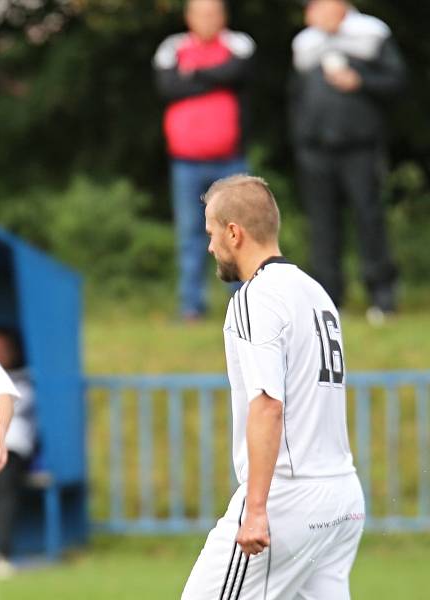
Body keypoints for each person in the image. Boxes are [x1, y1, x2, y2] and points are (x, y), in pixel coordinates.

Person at [181, 175, 364, 599]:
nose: (209, 247)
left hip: (289, 496)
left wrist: (257, 510)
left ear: (233, 232)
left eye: (211, 234)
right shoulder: (315, 293)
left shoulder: (255, 297)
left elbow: (268, 403)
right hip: (342, 496)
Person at [291, 0, 406, 323]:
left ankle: (382, 298)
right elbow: (296, 96)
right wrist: (302, 138)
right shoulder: (305, 42)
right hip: (315, 150)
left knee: (369, 219)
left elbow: (397, 82)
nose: (309, 14)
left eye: (316, 6)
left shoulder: (372, 33)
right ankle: (328, 299)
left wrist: (361, 81)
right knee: (322, 226)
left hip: (360, 147)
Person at [152, 0, 255, 320]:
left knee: (238, 233)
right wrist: (214, 77)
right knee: (190, 236)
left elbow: (237, 72)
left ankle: (244, 306)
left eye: (214, 14)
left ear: (223, 17)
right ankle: (191, 307)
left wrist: (193, 74)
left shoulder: (238, 44)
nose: (208, 20)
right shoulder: (172, 48)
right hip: (186, 160)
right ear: (189, 18)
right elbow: (168, 87)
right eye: (202, 14)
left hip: (231, 159)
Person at [0, 328, 36, 578]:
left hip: (13, 448)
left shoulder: (27, 378)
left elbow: (6, 401)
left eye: (3, 347)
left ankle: (2, 554)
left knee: (2, 485)